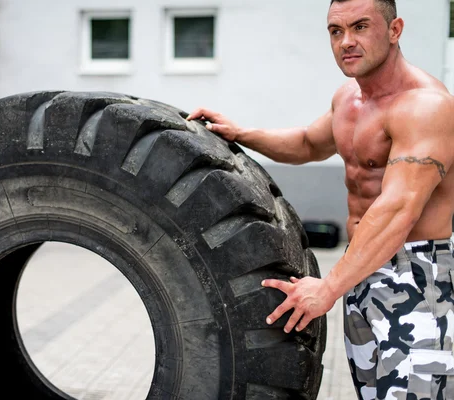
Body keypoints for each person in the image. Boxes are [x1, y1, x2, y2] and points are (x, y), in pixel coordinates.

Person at [186, 0, 454, 398]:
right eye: (336, 31)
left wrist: (328, 288)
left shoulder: (426, 107)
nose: (347, 41)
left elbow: (398, 209)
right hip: (361, 275)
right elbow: (308, 143)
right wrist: (241, 134)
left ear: (395, 29)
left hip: (415, 279)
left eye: (361, 27)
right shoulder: (349, 100)